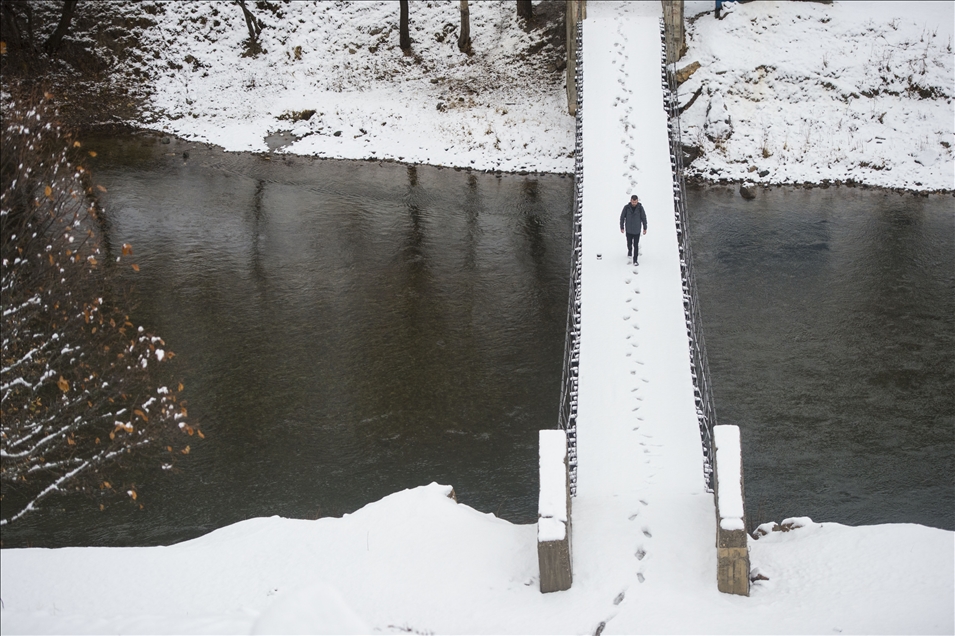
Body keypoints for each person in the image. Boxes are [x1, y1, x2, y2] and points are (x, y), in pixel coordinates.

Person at [619, 194, 648, 265]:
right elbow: (622, 217)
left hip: (636, 230)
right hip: (628, 229)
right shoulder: (626, 208)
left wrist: (645, 227)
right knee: (629, 243)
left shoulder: (640, 208)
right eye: (633, 202)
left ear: (637, 201)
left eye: (635, 202)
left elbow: (644, 218)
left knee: (636, 245)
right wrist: (622, 227)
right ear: (630, 201)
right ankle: (629, 250)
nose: (634, 203)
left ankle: (635, 260)